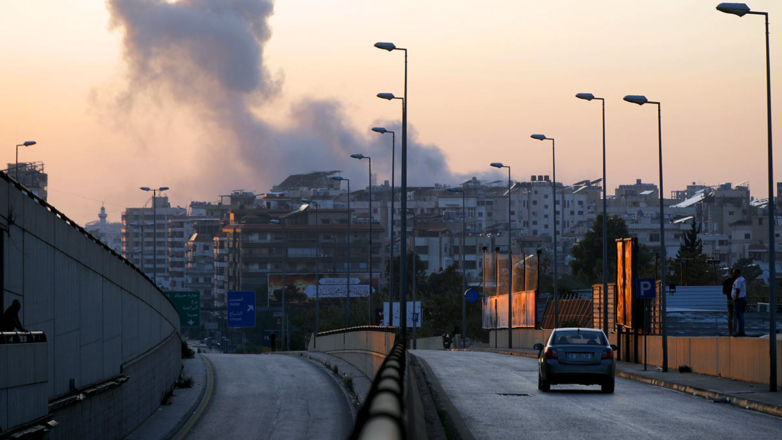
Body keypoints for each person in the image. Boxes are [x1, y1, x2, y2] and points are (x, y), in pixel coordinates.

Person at [723, 270, 738, 335]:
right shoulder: (737, 281)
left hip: (729, 299)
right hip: (735, 300)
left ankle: (730, 331)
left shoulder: (726, 281)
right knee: (735, 316)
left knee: (729, 316)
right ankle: (734, 330)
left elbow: (724, 292)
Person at [732, 269, 747, 337]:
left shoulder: (738, 280)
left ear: (737, 273)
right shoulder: (742, 279)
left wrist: (736, 297)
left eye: (734, 273)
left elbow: (737, 289)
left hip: (739, 299)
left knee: (739, 315)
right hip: (742, 298)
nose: (733, 274)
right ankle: (741, 330)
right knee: (741, 315)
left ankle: (740, 331)